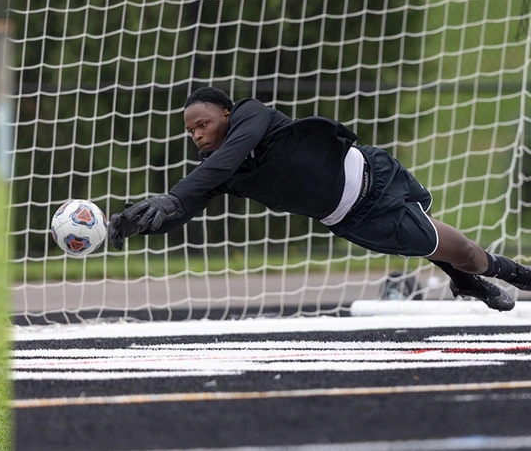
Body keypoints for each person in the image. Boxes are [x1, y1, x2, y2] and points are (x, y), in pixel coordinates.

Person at [108, 86, 531, 311]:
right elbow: (187, 205)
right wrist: (131, 221)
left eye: (202, 123)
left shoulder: (253, 114)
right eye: (191, 131)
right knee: (458, 249)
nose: (197, 135)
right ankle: (481, 276)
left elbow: (216, 167)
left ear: (226, 115)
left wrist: (174, 194)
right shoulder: (223, 173)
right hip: (355, 218)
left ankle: (497, 277)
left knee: (445, 239)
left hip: (371, 171)